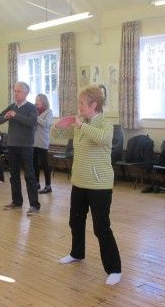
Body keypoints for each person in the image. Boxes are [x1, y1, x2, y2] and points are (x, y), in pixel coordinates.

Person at [52, 86, 122, 286]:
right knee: (75, 221)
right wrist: (58, 125)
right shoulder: (79, 124)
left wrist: (81, 126)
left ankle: (115, 269)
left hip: (99, 185)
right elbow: (56, 137)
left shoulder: (105, 125)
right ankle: (76, 253)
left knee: (101, 228)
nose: (79, 106)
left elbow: (103, 139)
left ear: (93, 105)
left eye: (82, 103)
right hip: (79, 182)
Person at [0, 82, 40, 216]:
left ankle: (34, 205)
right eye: (15, 91)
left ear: (26, 93)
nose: (16, 93)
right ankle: (16, 201)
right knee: (14, 175)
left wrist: (15, 115)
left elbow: (32, 122)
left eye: (19, 91)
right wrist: (6, 116)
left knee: (29, 175)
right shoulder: (12, 106)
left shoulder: (31, 107)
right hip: (12, 145)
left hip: (26, 146)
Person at [33, 94, 53, 194]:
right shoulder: (34, 110)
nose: (36, 102)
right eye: (36, 100)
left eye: (39, 100)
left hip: (42, 141)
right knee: (34, 164)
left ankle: (48, 186)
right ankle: (36, 183)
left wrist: (36, 117)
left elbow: (47, 124)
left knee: (44, 164)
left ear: (44, 101)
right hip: (33, 141)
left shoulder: (49, 112)